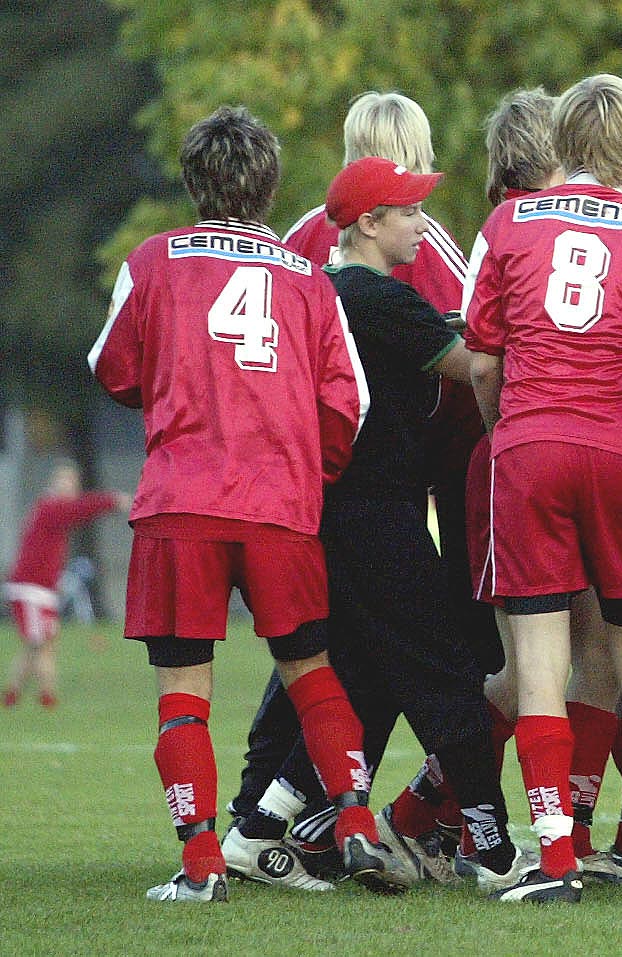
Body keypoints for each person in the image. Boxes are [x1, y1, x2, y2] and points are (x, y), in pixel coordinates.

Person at [88, 105, 392, 902]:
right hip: (279, 506)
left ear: (193, 180)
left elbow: (112, 367)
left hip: (181, 502)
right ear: (269, 184)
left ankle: (200, 869)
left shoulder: (153, 260)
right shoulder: (307, 277)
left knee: (184, 689)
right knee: (312, 672)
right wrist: (304, 468)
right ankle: (354, 824)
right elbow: (348, 401)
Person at [224, 157, 529, 898]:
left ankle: (257, 829)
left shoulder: (316, 292)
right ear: (368, 222)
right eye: (409, 210)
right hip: (378, 511)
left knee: (360, 678)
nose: (423, 223)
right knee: (447, 671)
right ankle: (496, 855)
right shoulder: (379, 297)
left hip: (321, 511)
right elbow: (476, 368)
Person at [464, 73, 622, 903]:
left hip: (532, 445)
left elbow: (485, 357)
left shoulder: (506, 223)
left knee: (541, 659)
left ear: (562, 142)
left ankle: (555, 857)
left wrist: (508, 431)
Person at [3, 462, 128, 708]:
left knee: (36, 644)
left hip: (42, 590)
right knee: (42, 644)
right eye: (63, 481)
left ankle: (12, 696)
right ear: (53, 483)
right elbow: (81, 508)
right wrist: (113, 500)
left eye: (72, 483)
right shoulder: (50, 507)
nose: (68, 487)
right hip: (31, 590)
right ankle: (48, 699)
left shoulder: (53, 510)